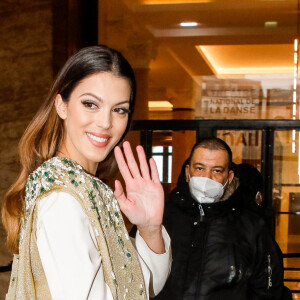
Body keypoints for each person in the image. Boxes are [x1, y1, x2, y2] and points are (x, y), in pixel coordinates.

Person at [1, 45, 171, 300]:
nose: (105, 122)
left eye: (119, 109)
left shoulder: (86, 187)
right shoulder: (63, 197)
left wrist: (149, 228)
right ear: (61, 105)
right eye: (90, 104)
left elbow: (141, 288)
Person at [154, 137, 289, 300]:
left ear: (229, 177)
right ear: (188, 172)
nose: (207, 177)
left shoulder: (250, 225)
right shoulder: (162, 216)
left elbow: (267, 291)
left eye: (217, 170)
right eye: (199, 168)